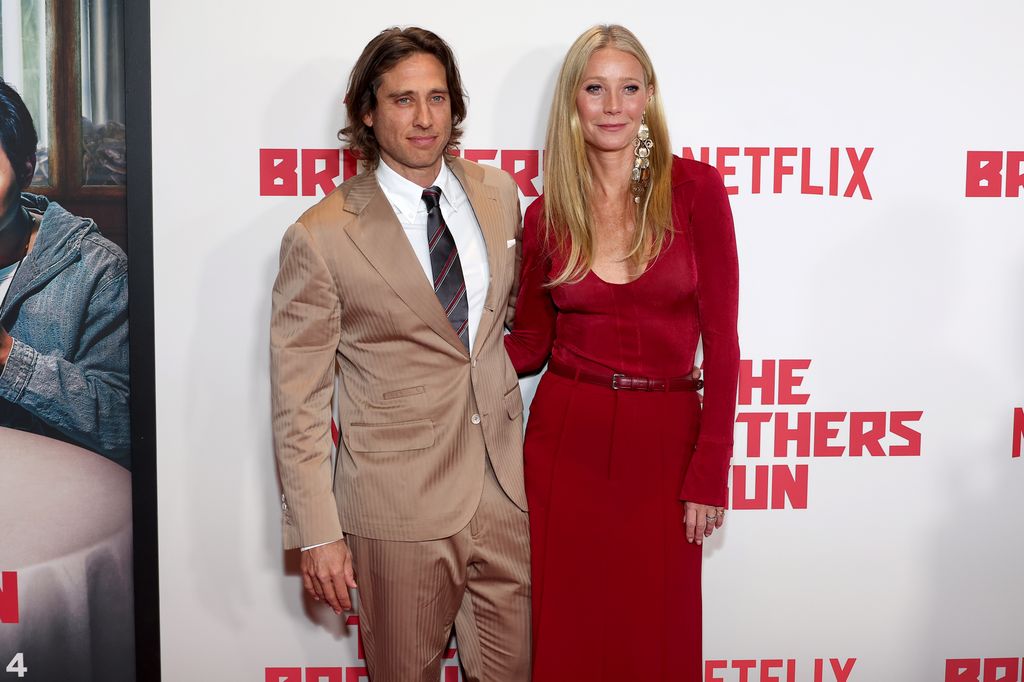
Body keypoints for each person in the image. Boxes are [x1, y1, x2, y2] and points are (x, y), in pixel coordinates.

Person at [270, 27, 530, 682]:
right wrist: (318, 532)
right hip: (396, 508)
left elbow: (510, 325)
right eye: (403, 99)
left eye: (437, 98)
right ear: (367, 111)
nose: (424, 118)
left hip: (504, 496)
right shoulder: (321, 236)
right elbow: (298, 403)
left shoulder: (499, 196)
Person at [504, 25, 740, 680]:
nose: (613, 106)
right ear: (573, 102)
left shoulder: (695, 191)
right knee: (569, 634)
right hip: (566, 441)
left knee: (656, 636)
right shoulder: (547, 215)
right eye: (595, 89)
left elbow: (723, 344)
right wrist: (437, 351)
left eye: (628, 88)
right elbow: (530, 345)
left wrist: (709, 471)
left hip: (667, 442)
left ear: (649, 98)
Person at [0, 79, 130, 468]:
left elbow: (121, 426)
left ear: (26, 170)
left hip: (48, 493)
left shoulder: (96, 269)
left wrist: (8, 357)